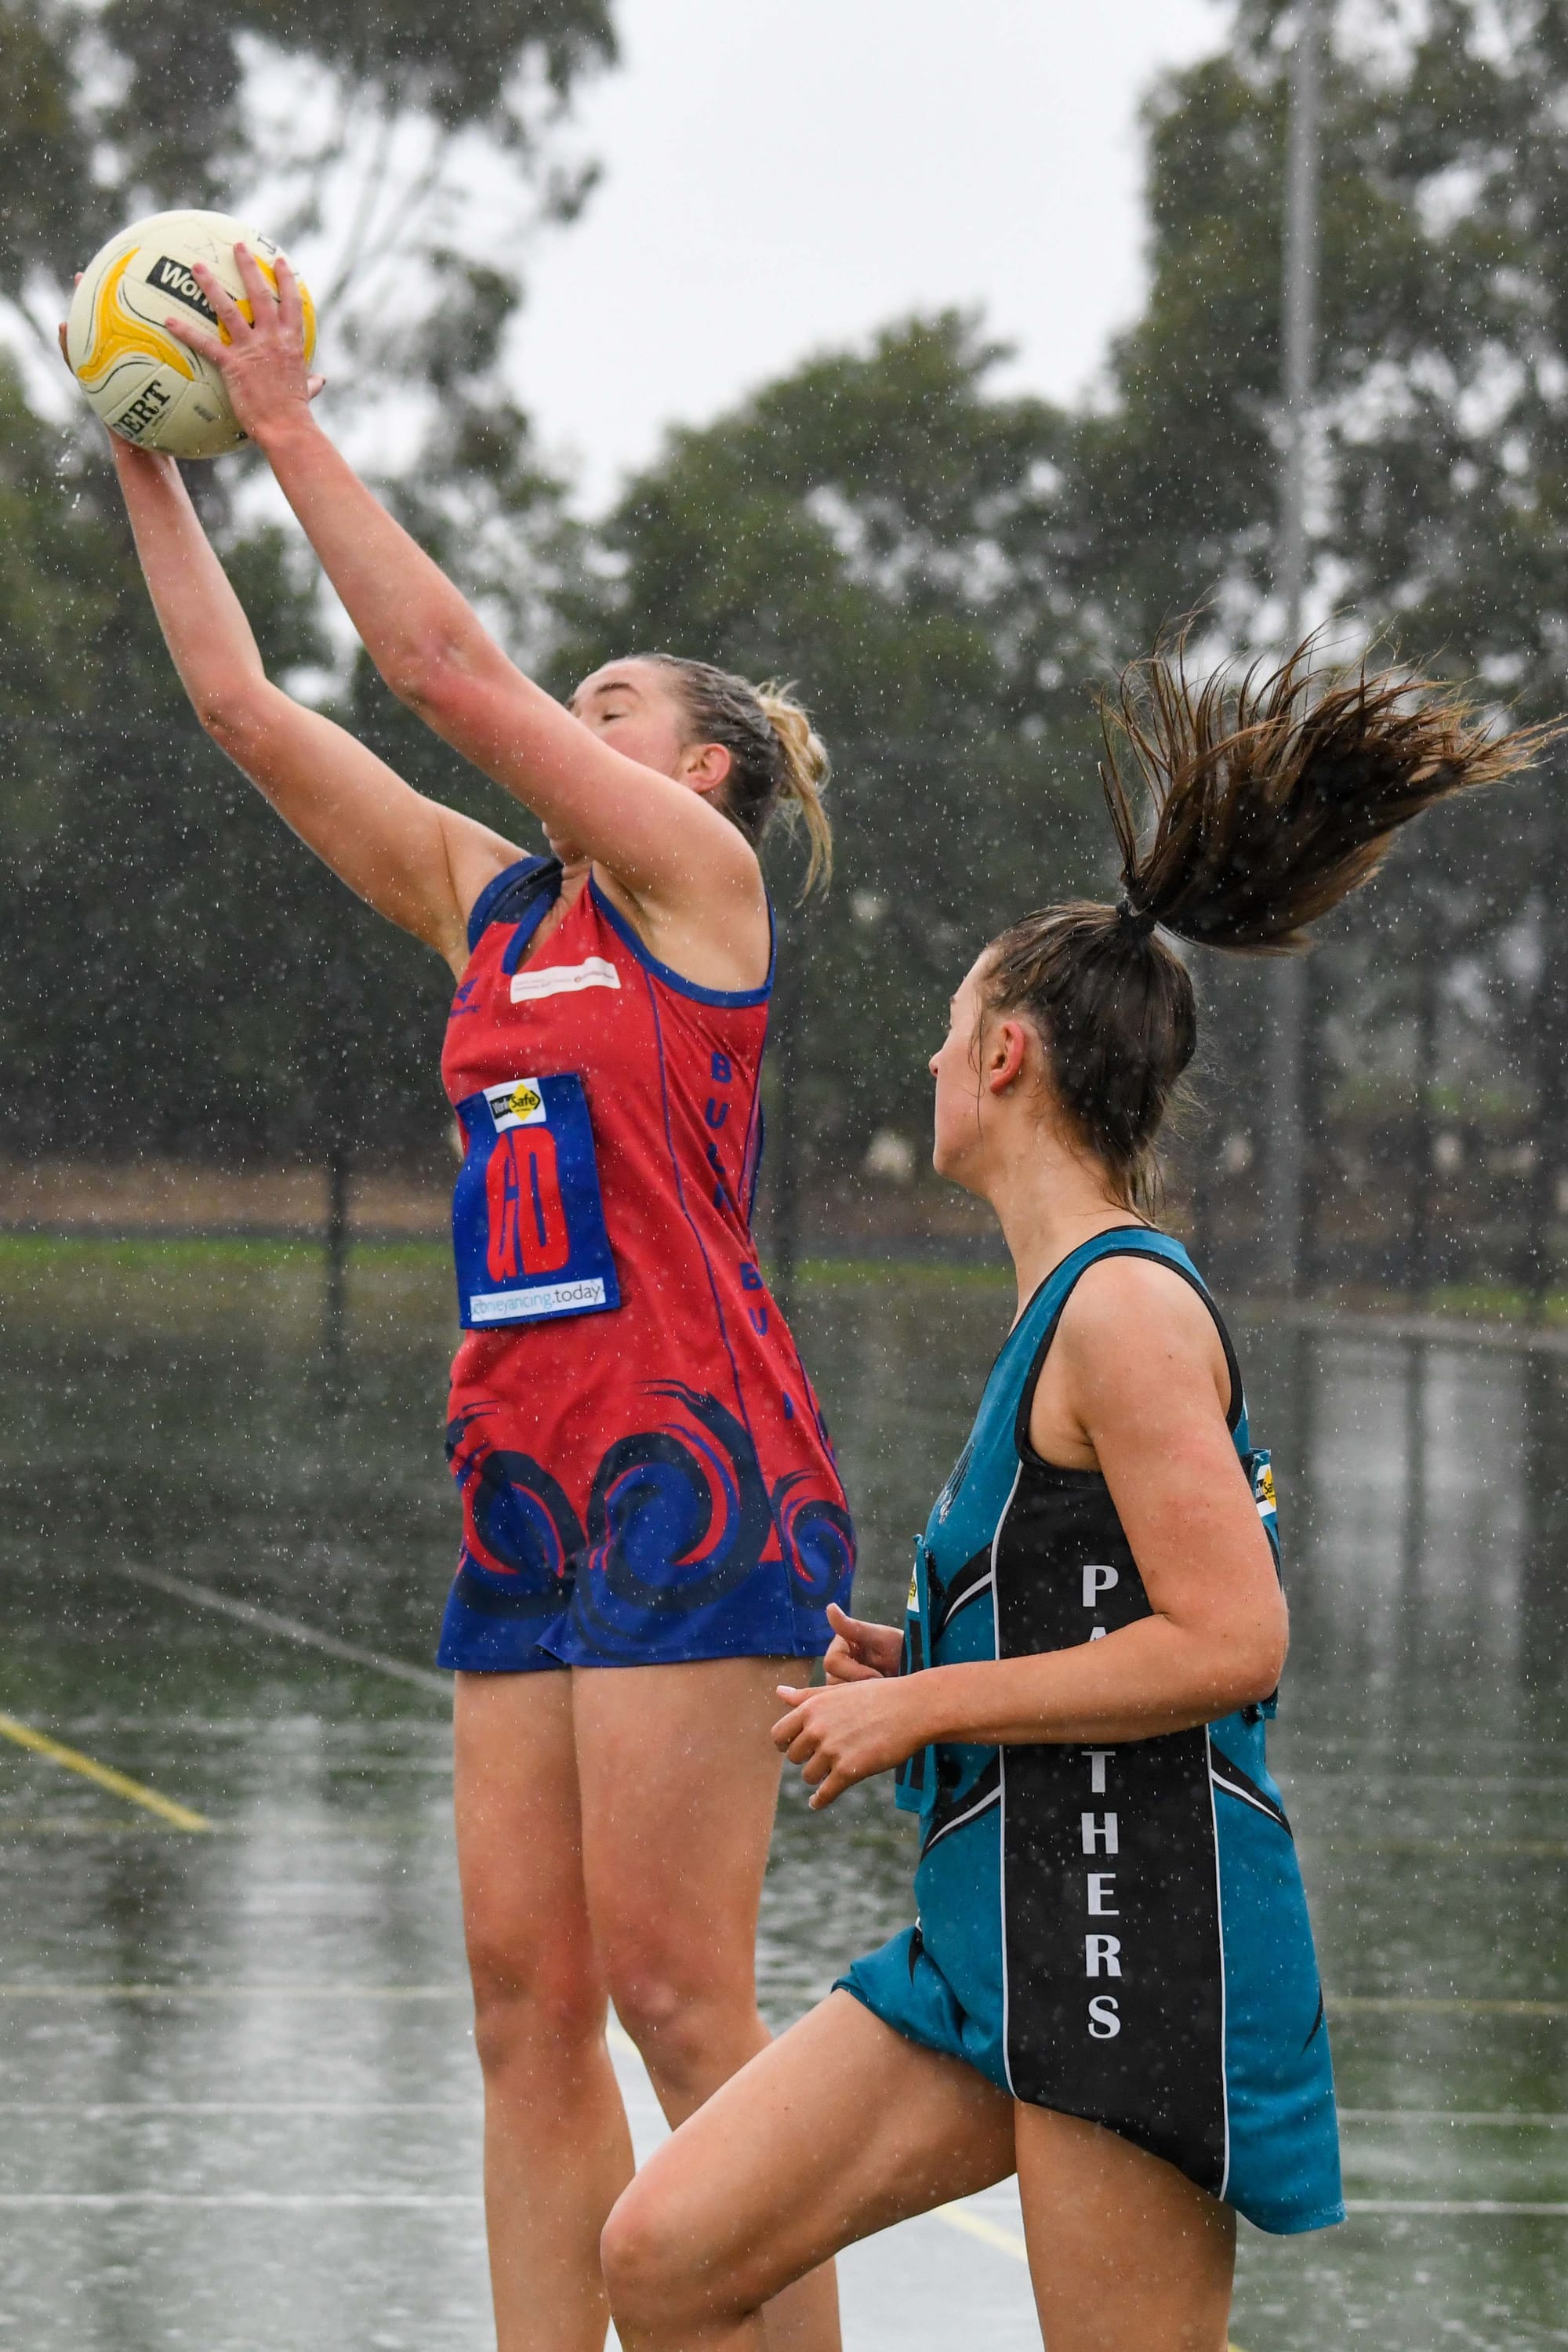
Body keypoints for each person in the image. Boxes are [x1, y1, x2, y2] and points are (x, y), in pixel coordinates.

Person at [597, 647, 1554, 2352]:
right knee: (669, 2251)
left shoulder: (1121, 1306)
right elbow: (1098, 1594)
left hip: (1133, 1926)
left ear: (1012, 1058)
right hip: (998, 1927)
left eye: (953, 1031)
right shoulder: (1065, 1306)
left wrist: (931, 1711)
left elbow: (1230, 1636)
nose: (935, 1061)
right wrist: (922, 1659)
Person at [82, 248, 855, 2352]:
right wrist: (143, 453)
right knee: (527, 2002)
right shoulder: (485, 909)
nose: (566, 717)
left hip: (697, 1465)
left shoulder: (700, 899)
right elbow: (253, 710)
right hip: (524, 1477)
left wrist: (286, 416)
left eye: (611, 706)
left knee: (688, 2002)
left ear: (693, 778)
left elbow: (430, 661)